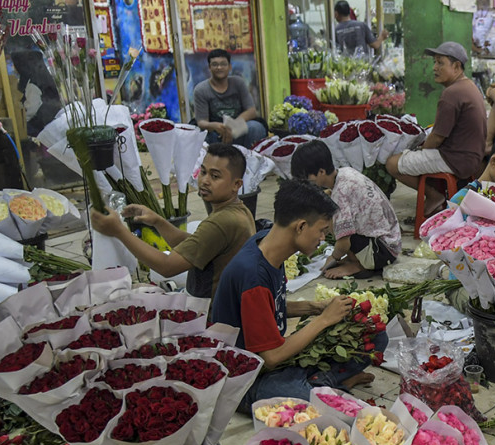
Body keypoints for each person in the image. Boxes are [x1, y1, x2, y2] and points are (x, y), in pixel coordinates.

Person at [210, 180, 383, 409]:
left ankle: (325, 382)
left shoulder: (267, 243)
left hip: (277, 357)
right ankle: (329, 383)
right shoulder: (253, 276)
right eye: (322, 231)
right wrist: (324, 320)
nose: (323, 239)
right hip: (247, 377)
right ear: (300, 227)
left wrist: (316, 307)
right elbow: (271, 357)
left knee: (376, 335)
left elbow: (269, 307)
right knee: (307, 401)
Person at [89, 144, 255, 299]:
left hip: (211, 313)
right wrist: (157, 221)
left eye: (215, 176)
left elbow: (167, 267)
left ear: (236, 184)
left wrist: (119, 231)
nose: (205, 180)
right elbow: (194, 244)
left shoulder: (222, 222)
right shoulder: (239, 210)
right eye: (203, 172)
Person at [385, 41, 486, 216]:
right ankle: (436, 198)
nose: (434, 68)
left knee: (392, 163)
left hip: (456, 159)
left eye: (440, 63)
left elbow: (437, 137)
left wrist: (420, 150)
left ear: (456, 66)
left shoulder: (452, 93)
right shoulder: (469, 86)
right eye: (435, 62)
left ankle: (434, 196)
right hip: (471, 157)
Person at [291, 140, 401, 279]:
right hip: (392, 243)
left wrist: (333, 258)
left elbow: (344, 242)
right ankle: (355, 258)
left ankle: (358, 265)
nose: (307, 182)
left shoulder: (340, 194)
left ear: (321, 172)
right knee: (334, 213)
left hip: (381, 252)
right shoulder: (345, 172)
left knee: (339, 225)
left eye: (308, 178)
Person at [194, 49, 267, 148]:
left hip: (238, 127)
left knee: (256, 127)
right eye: (215, 64)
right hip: (216, 131)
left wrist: (233, 126)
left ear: (230, 67)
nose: (219, 67)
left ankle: (251, 156)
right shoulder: (201, 89)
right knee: (204, 136)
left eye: (223, 64)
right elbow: (202, 122)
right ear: (209, 68)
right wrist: (216, 126)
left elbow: (251, 111)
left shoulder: (238, 83)